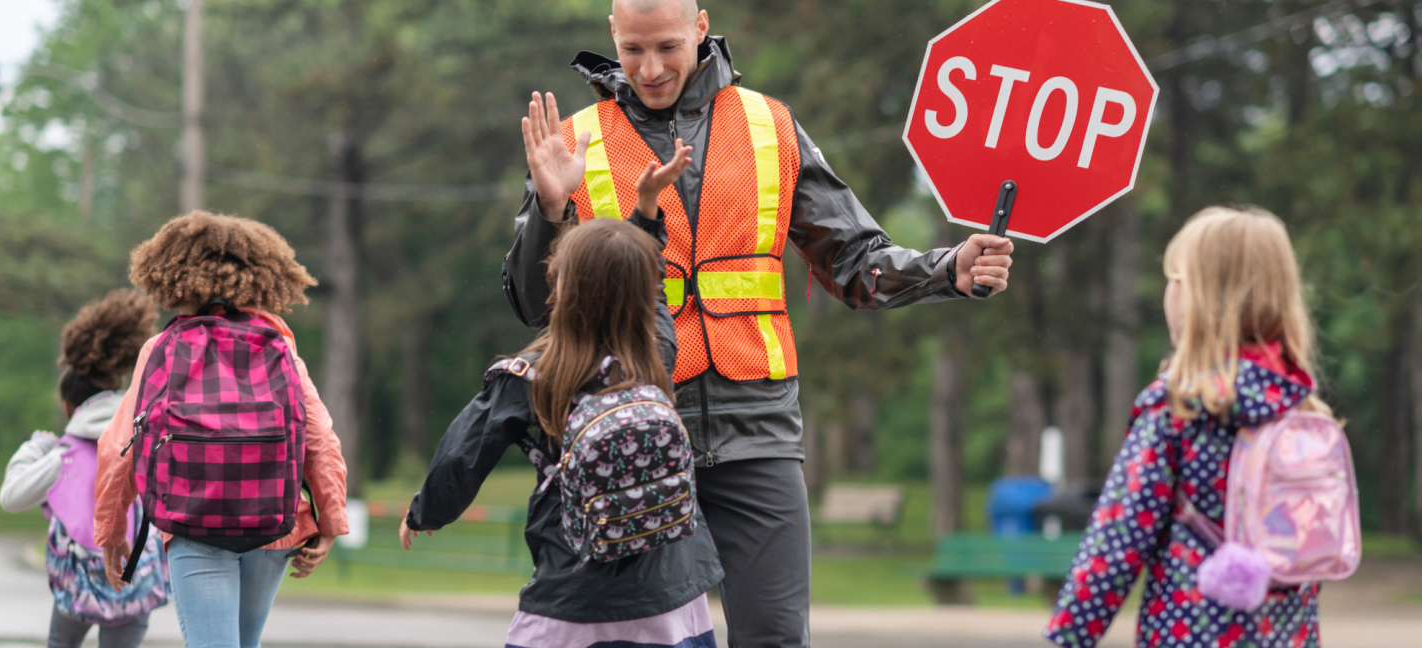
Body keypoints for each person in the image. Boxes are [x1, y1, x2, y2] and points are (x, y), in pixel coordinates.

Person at [502, 1, 1015, 644]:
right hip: (635, 441)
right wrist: (550, 207)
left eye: (666, 46)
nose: (651, 68)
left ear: (699, 26)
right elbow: (532, 304)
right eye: (633, 50)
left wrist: (948, 267)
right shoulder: (575, 143)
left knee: (774, 637)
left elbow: (855, 260)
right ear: (612, 35)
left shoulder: (770, 127)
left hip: (758, 435)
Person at [404, 186, 724, 646]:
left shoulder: (531, 377)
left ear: (561, 287)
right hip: (673, 593)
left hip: (572, 594)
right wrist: (648, 219)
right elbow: (651, 295)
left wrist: (424, 513)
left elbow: (464, 454)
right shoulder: (654, 359)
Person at [1044, 207, 1328, 648]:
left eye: (1174, 281)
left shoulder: (1176, 410)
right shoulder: (1303, 414)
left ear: (1194, 297)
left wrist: (1068, 636)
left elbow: (1117, 541)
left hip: (1188, 634)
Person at [93, 211, 350, 648]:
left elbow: (122, 446)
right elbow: (318, 436)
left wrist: (112, 532)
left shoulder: (162, 348)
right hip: (272, 525)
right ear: (258, 276)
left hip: (194, 522)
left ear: (172, 275)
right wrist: (330, 519)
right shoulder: (279, 346)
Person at [0, 289, 169, 648]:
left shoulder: (64, 455)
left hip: (78, 588)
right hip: (135, 579)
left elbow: (11, 498)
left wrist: (36, 446)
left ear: (68, 407)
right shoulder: (147, 438)